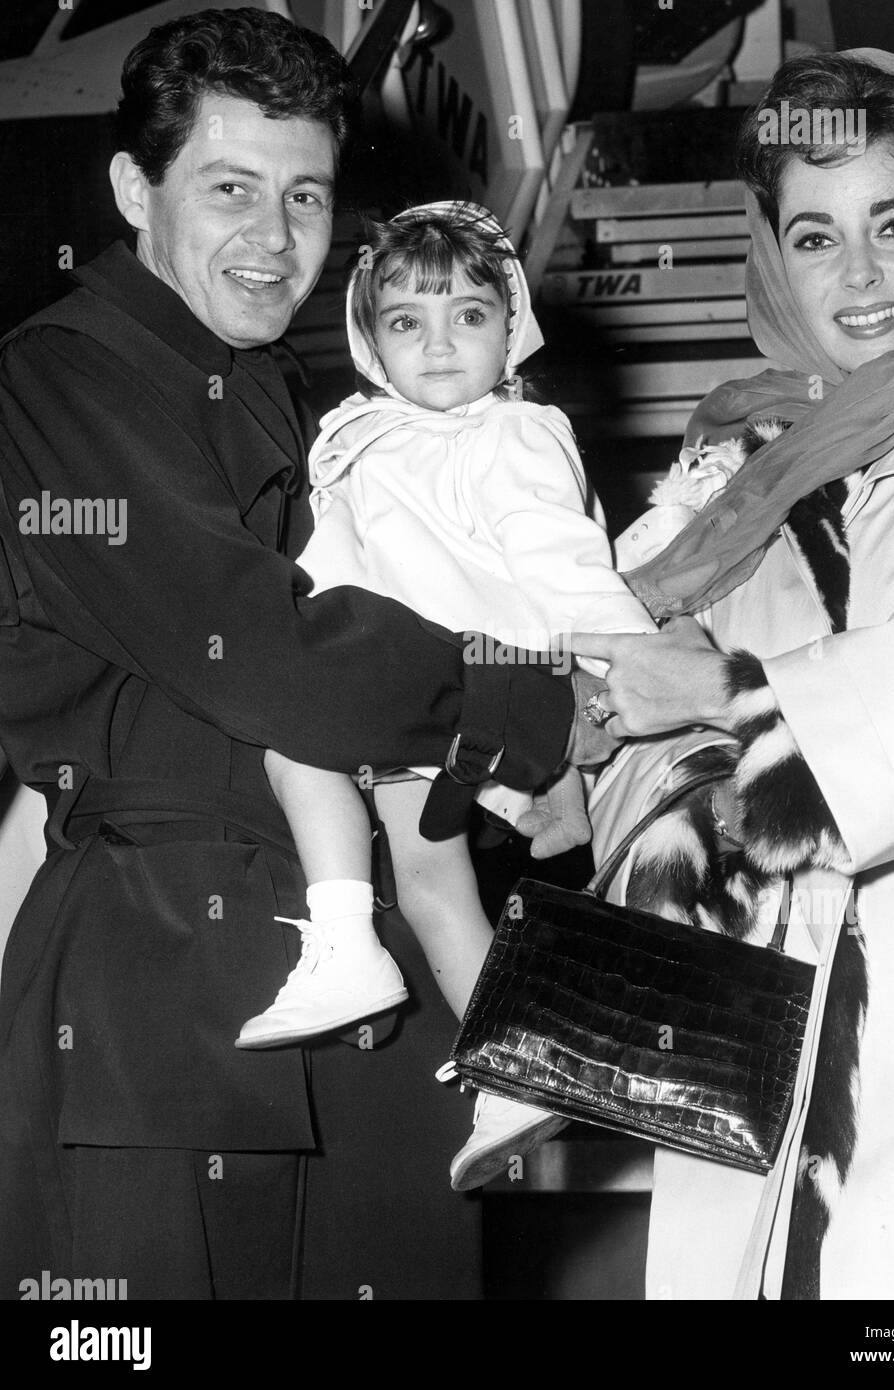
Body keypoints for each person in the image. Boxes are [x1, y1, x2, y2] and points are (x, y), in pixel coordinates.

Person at [0, 7, 616, 1300]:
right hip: (161, 1000)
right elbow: (263, 654)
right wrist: (527, 688)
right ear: (133, 189)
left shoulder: (313, 402)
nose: (274, 240)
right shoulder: (59, 382)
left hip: (367, 990)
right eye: (230, 190)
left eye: (307, 197)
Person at [574, 48, 894, 1300]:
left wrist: (732, 704)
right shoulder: (724, 486)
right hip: (755, 1055)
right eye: (816, 236)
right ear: (773, 256)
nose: (863, 275)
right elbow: (602, 723)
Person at [236, 200, 654, 1190]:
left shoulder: (514, 431)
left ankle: (384, 965)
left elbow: (564, 556)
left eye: (467, 315)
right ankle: (459, 1026)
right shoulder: (357, 436)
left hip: (478, 678)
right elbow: (325, 561)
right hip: (383, 676)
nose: (437, 345)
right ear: (369, 338)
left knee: (421, 862)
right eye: (406, 322)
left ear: (511, 328)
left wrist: (621, 663)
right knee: (405, 861)